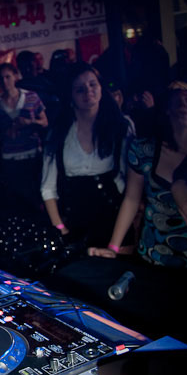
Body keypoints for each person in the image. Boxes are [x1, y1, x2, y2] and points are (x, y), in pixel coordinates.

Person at [90, 81, 187, 267]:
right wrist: (113, 248)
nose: (183, 106)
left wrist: (180, 185)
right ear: (167, 109)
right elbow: (131, 199)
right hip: (154, 259)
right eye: (177, 101)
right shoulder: (144, 150)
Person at [40, 63, 132, 248]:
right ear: (70, 95)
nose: (88, 91)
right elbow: (48, 188)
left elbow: (130, 182)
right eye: (80, 89)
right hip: (75, 221)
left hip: (114, 216)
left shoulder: (121, 126)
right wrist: (60, 228)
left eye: (92, 84)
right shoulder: (59, 131)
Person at [0, 63, 48, 213]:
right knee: (19, 199)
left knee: (38, 196)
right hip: (11, 157)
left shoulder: (31, 97)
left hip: (33, 153)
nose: (5, 81)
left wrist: (30, 122)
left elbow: (45, 122)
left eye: (8, 77)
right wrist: (5, 133)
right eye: (1, 78)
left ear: (15, 76)